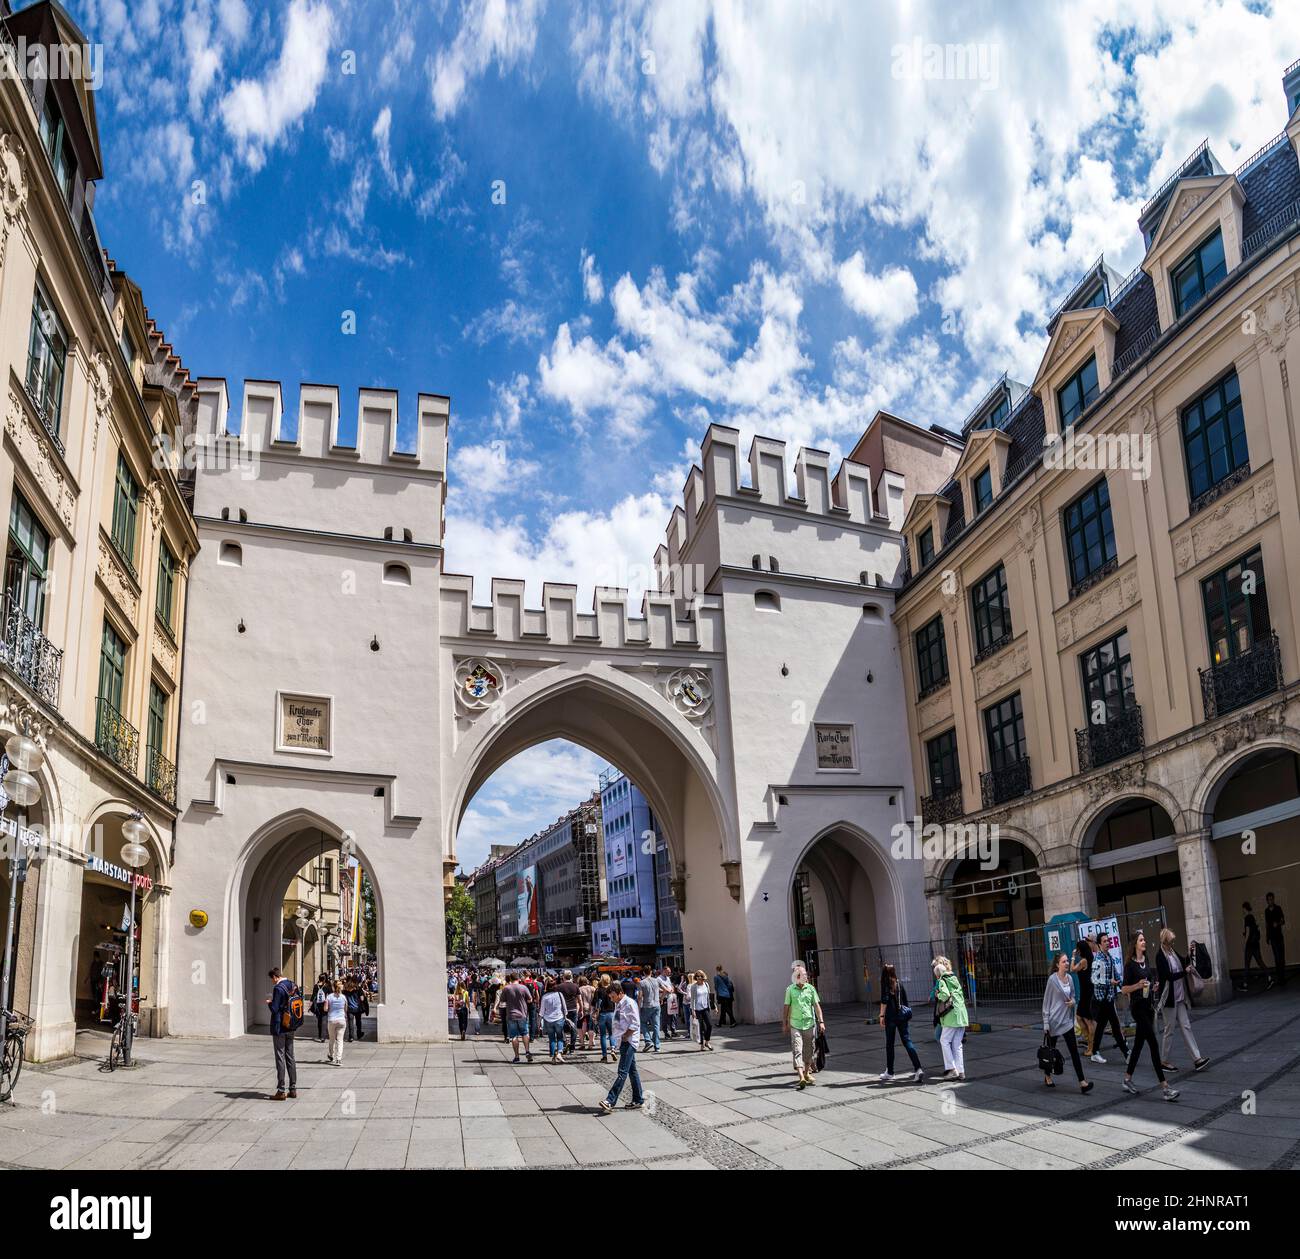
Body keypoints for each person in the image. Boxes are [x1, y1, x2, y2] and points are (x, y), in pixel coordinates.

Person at [1121, 930, 1179, 1101]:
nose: (1144, 942)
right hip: (1137, 1009)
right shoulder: (1129, 965)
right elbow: (1124, 989)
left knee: (1138, 1045)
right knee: (1153, 1044)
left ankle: (1127, 1079)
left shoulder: (1145, 961)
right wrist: (1137, 986)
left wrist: (1153, 986)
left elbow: (1149, 981)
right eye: (1141, 940)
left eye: (1144, 939)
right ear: (1135, 944)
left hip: (1148, 1007)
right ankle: (1165, 1088)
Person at [1155, 928, 1209, 1072]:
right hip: (1169, 999)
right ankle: (1164, 1061)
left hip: (1179, 997)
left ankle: (1197, 1059)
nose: (1173, 943)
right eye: (1171, 941)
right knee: (1169, 1030)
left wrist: (1190, 952)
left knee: (1186, 1026)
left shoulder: (1172, 952)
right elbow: (1168, 976)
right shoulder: (1160, 956)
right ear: (1165, 941)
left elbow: (1183, 961)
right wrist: (1183, 973)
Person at [1042, 953, 1093, 1093]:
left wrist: (1073, 1002)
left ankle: (1082, 1082)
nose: (1066, 963)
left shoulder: (1070, 978)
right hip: (1053, 1022)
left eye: (1066, 961)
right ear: (1058, 965)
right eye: (1063, 961)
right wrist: (1046, 1023)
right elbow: (1046, 1004)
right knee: (1050, 1052)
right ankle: (1047, 1075)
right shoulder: (1052, 980)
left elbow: (1074, 997)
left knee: (1074, 1052)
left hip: (1066, 1022)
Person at [597, 980, 645, 1114]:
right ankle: (638, 1100)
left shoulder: (629, 1003)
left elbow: (635, 1024)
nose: (611, 999)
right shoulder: (619, 1003)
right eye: (610, 997)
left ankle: (610, 1101)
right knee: (632, 1071)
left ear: (620, 993)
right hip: (622, 1040)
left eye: (613, 996)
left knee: (622, 1071)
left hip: (628, 1041)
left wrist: (625, 1036)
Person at [876, 962, 923, 1083]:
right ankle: (918, 1069)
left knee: (890, 1044)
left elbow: (884, 1000)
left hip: (890, 1018)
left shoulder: (886, 984)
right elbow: (906, 1001)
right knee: (907, 1041)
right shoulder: (899, 983)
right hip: (902, 1017)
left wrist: (881, 1015)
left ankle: (890, 1072)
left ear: (884, 973)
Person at [782, 963, 824, 1089]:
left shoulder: (811, 989)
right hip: (795, 1024)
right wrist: (785, 1023)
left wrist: (821, 1021)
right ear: (798, 976)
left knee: (809, 1051)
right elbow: (786, 1007)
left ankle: (806, 1073)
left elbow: (816, 1006)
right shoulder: (790, 990)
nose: (807, 976)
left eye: (806, 974)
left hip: (809, 1024)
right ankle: (801, 1077)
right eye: (805, 975)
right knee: (797, 1050)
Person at [1088, 938, 1128, 1063]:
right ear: (1099, 944)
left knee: (1101, 1026)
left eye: (1108, 941)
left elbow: (1116, 975)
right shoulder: (1098, 959)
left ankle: (1094, 1052)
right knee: (1115, 1026)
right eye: (1104, 941)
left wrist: (1124, 988)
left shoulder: (1109, 957)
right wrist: (1109, 982)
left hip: (1108, 997)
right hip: (1101, 999)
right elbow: (1094, 979)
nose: (1107, 943)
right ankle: (1127, 1053)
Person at [932, 956, 968, 1082]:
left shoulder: (942, 980)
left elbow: (945, 995)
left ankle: (952, 1069)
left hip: (951, 1016)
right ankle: (961, 1071)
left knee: (944, 1040)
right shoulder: (954, 978)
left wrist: (938, 994)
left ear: (937, 974)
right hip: (961, 1015)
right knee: (957, 1044)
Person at [267, 967, 299, 1101]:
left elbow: (274, 1009)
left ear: (275, 976)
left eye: (272, 980)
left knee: (280, 1057)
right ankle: (293, 1088)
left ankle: (281, 1090)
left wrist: (269, 1003)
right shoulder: (293, 985)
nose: (273, 982)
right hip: (291, 1024)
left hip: (280, 1026)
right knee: (290, 1056)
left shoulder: (278, 988)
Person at [501, 972, 534, 1064]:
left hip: (511, 1015)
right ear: (518, 979)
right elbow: (530, 999)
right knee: (525, 1033)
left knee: (514, 1036)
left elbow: (502, 1000)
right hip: (522, 1014)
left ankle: (517, 1057)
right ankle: (527, 1051)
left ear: (510, 979)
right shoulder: (523, 987)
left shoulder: (506, 988)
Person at [1071, 938, 1095, 1063]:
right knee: (1080, 1017)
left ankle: (1091, 1047)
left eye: (1078, 949)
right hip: (1087, 991)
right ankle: (1089, 1041)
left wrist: (1073, 957)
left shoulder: (1084, 961)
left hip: (1087, 993)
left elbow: (1072, 969)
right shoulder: (1089, 959)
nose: (1077, 951)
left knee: (1087, 1020)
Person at [1241, 902, 1268, 990]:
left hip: (1250, 945)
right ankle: (1269, 977)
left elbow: (1248, 932)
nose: (1242, 911)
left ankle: (1245, 985)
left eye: (1243, 909)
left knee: (1247, 965)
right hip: (1256, 944)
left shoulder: (1247, 918)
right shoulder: (1253, 917)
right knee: (1260, 961)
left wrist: (1244, 944)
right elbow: (1257, 928)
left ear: (1245, 908)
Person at [541, 978, 568, 1063]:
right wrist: (565, 1016)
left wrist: (539, 1022)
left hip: (548, 1019)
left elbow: (541, 1011)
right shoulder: (559, 994)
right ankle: (559, 1053)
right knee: (560, 1037)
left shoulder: (544, 997)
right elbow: (564, 1006)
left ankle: (553, 1056)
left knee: (551, 1038)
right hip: (559, 1018)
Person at [1265, 892, 1286, 987]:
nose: (1270, 901)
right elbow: (1267, 925)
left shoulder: (1278, 908)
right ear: (1267, 901)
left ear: (1273, 899)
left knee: (1282, 958)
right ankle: (1280, 979)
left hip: (1279, 937)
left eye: (1271, 899)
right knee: (1277, 958)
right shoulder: (1266, 911)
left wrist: (1278, 923)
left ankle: (1283, 978)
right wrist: (1267, 937)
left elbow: (1283, 921)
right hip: (1272, 938)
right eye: (1269, 899)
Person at [638, 969, 662, 1052]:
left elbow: (640, 996)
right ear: (651, 972)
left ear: (644, 972)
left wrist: (638, 1007)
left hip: (647, 1005)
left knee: (643, 1022)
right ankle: (657, 1046)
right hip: (656, 1004)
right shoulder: (656, 981)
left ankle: (648, 1041)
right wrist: (661, 999)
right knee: (656, 1025)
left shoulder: (641, 982)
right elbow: (666, 989)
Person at [689, 970, 713, 1050]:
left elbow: (709, 997)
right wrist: (693, 1010)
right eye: (698, 976)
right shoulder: (694, 986)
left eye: (701, 976)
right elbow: (692, 999)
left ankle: (707, 1042)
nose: (699, 977)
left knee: (709, 1025)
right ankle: (702, 1044)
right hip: (697, 1009)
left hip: (705, 1008)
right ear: (696, 977)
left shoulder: (706, 984)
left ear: (703, 977)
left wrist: (714, 1006)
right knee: (702, 1028)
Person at [325, 979, 348, 1065]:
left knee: (332, 1039)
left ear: (333, 987)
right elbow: (346, 1009)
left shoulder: (329, 997)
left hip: (332, 1020)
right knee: (340, 1040)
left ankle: (331, 1055)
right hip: (341, 1020)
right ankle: (338, 1059)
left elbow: (325, 1008)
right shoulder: (343, 997)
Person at [558, 970, 581, 1055]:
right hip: (573, 1009)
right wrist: (581, 1008)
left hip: (562, 1010)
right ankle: (572, 1047)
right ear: (571, 977)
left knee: (560, 1027)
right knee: (573, 1027)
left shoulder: (559, 986)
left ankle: (565, 1042)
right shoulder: (575, 986)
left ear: (563, 977)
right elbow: (579, 999)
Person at [596, 974, 617, 1062]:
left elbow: (596, 1003)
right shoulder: (612, 990)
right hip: (611, 1013)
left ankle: (604, 1056)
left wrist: (595, 1013)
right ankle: (613, 1049)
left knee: (603, 1036)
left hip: (602, 1014)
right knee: (612, 1034)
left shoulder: (598, 990)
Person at [658, 967, 677, 1038]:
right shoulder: (659, 979)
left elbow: (671, 985)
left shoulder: (668, 978)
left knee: (673, 1015)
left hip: (670, 998)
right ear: (664, 971)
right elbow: (658, 989)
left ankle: (673, 1031)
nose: (669, 973)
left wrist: (672, 989)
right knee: (665, 1016)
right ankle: (665, 1032)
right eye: (668, 972)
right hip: (664, 999)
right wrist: (666, 990)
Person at [578, 974, 596, 1050]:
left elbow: (578, 1000)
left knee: (579, 1027)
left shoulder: (579, 989)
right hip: (591, 1009)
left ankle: (582, 1044)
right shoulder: (593, 988)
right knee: (591, 1027)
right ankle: (590, 1044)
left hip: (582, 1009)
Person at [311, 974, 330, 1042]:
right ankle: (323, 1037)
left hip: (317, 1005)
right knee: (324, 1020)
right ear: (324, 979)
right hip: (324, 1004)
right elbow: (330, 995)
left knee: (319, 1020)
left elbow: (313, 996)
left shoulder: (316, 986)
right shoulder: (327, 986)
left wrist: (311, 1004)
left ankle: (320, 1034)